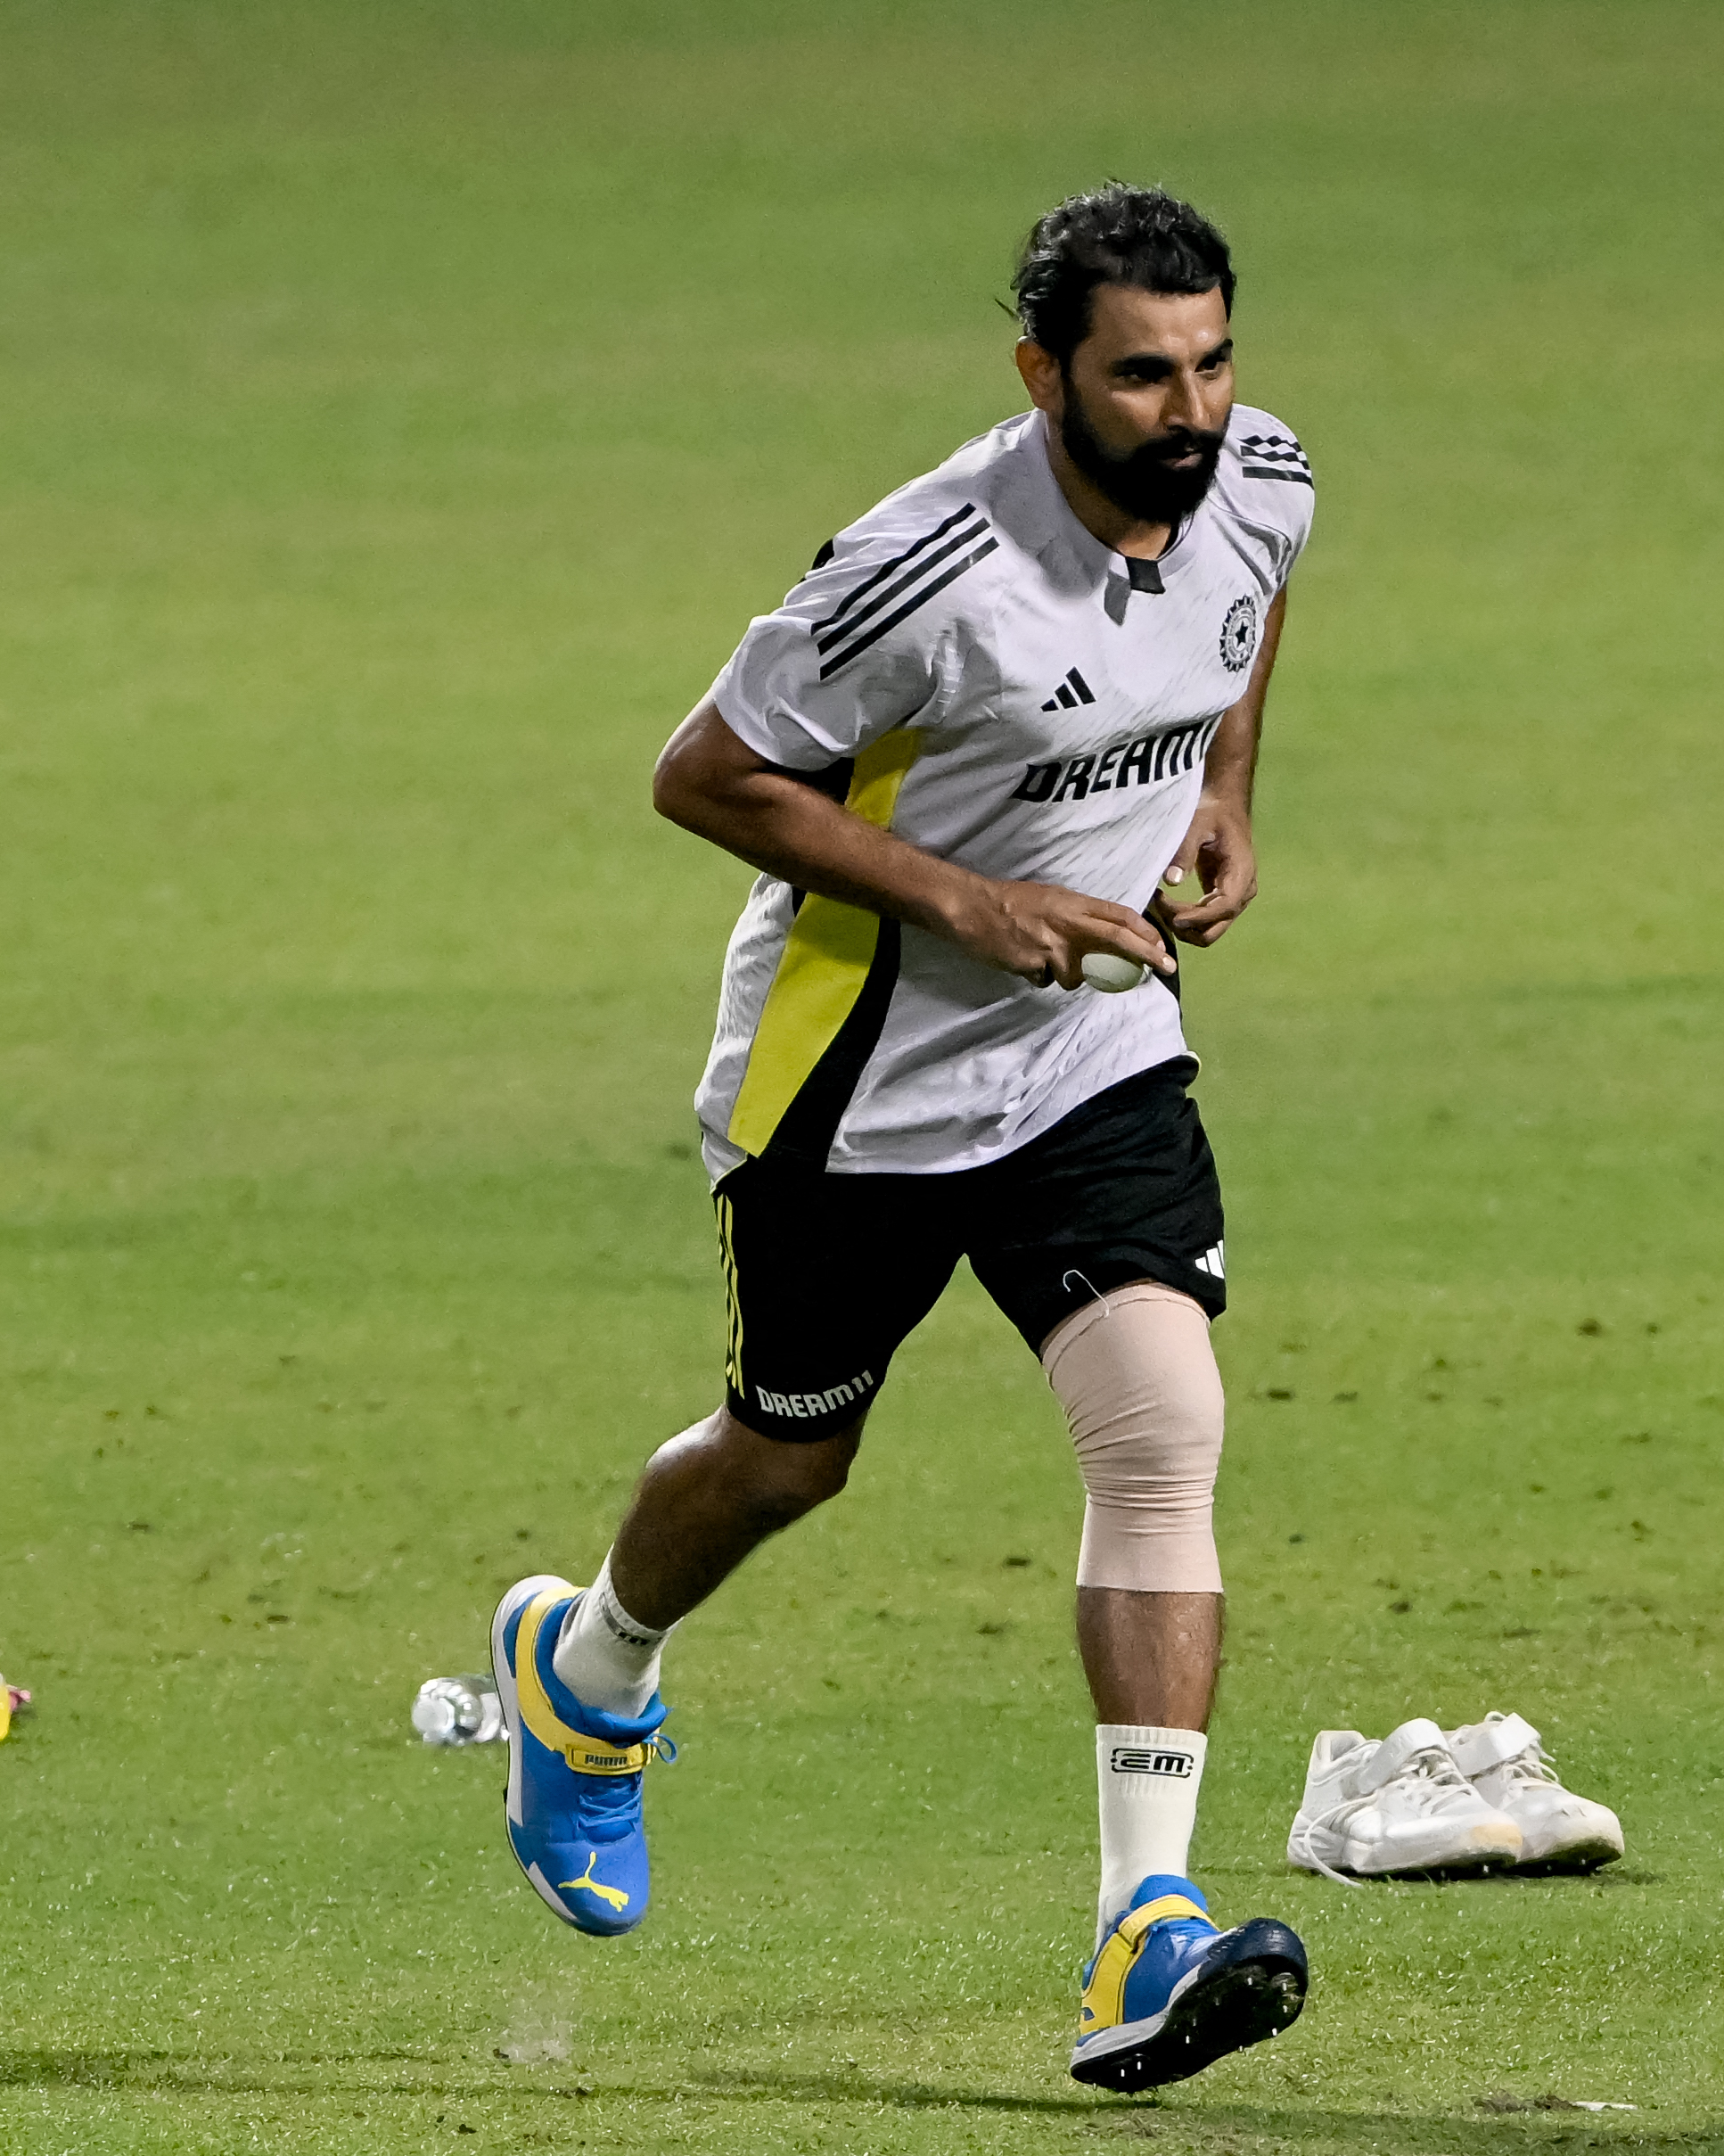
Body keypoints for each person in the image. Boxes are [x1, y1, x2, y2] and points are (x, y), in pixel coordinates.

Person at [487, 184, 1316, 2093]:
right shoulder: (923, 566)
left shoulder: (1257, 478)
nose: (1183, 411)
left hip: (1085, 1062)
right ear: (1042, 376)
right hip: (850, 1086)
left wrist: (1217, 794)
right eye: (1136, 376)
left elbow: (1242, 613)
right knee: (787, 1460)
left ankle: (1143, 1928)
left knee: (1160, 1424)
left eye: (1206, 364)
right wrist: (972, 903)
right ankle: (584, 1673)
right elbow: (702, 774)